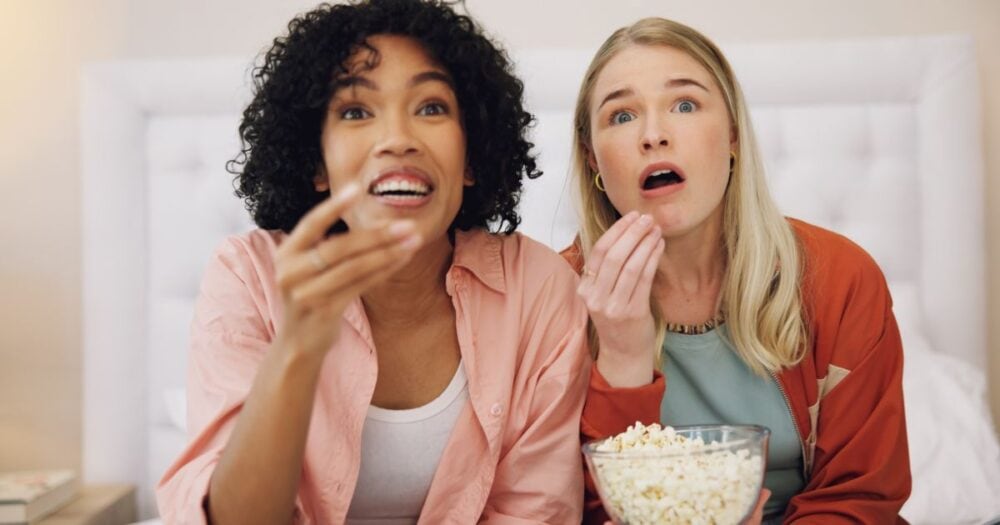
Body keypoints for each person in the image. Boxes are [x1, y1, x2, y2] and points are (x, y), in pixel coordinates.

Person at [156, 1, 591, 523]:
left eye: (431, 107)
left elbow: (534, 513)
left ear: (471, 156)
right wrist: (296, 349)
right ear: (317, 164)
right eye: (356, 112)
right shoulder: (248, 275)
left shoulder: (540, 288)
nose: (398, 139)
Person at [562, 17, 911, 524]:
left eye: (684, 105)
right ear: (594, 159)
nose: (654, 135)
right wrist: (621, 351)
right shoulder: (553, 297)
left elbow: (861, 496)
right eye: (621, 116)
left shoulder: (840, 279)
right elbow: (579, 510)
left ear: (731, 135)